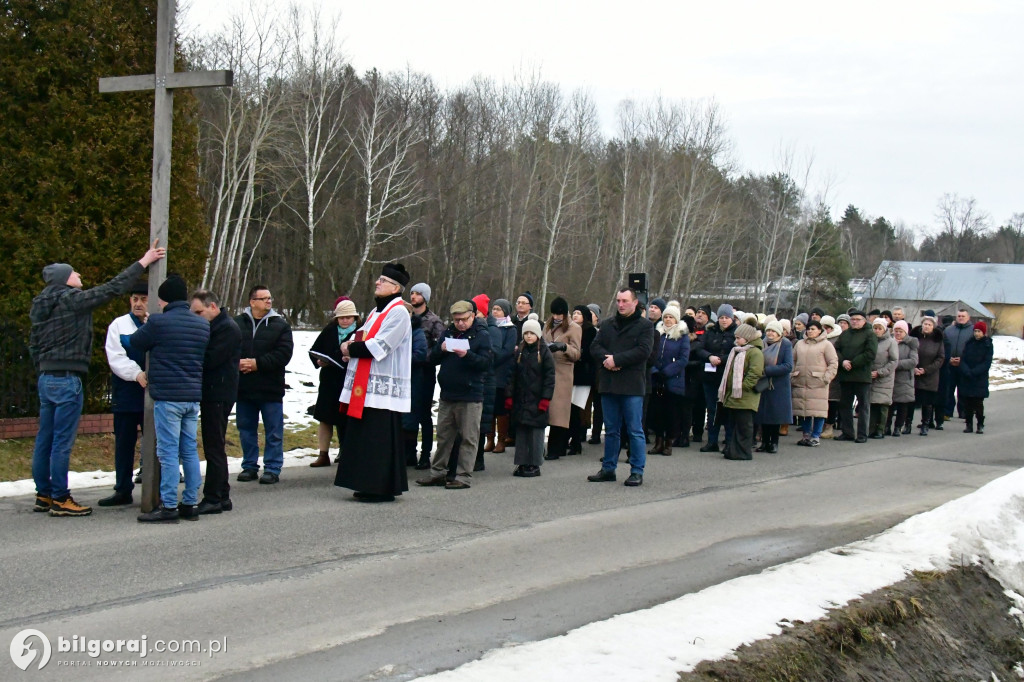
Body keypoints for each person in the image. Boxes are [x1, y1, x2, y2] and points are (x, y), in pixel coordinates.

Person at [29, 240, 165, 517]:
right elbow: (112, 288)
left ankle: (43, 493)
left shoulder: (40, 307)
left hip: (46, 377)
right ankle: (60, 498)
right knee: (61, 442)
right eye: (74, 273)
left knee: (45, 437)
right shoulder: (71, 300)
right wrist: (144, 260)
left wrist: (44, 368)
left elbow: (33, 344)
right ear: (65, 280)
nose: (79, 276)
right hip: (67, 378)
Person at [130, 275, 210, 523]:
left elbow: (135, 343)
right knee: (189, 450)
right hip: (191, 396)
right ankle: (190, 503)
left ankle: (168, 505)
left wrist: (147, 324)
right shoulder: (202, 325)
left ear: (163, 299)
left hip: (167, 397)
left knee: (167, 452)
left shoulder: (158, 323)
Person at [335, 263, 414, 502]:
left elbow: (381, 345)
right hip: (365, 385)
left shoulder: (399, 312)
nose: (377, 283)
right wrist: (348, 343)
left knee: (378, 439)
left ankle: (379, 487)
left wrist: (352, 347)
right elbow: (361, 335)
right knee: (364, 437)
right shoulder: (376, 311)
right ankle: (364, 483)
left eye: (383, 280)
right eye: (378, 279)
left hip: (382, 386)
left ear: (395, 287)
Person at [417, 299, 492, 490]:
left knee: (468, 437)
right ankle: (438, 473)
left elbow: (486, 363)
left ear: (472, 316)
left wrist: (467, 355)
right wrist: (440, 350)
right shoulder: (448, 332)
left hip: (470, 394)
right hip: (447, 393)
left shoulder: (481, 335)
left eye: (464, 319)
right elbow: (432, 359)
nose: (460, 323)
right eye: (456, 319)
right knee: (443, 436)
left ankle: (463, 475)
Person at [587, 288, 655, 487]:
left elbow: (643, 351)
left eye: (625, 300)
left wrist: (618, 360)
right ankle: (608, 468)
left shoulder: (645, 326)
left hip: (631, 385)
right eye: (618, 300)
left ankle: (636, 470)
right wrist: (607, 360)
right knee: (611, 430)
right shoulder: (608, 324)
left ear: (635, 303)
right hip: (609, 383)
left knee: (635, 430)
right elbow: (595, 347)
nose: (621, 304)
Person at [189, 289, 242, 515]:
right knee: (214, 444)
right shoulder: (218, 326)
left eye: (199, 312)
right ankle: (222, 495)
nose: (197, 317)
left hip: (218, 392)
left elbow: (210, 358)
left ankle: (213, 497)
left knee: (214, 446)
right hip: (215, 390)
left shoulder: (226, 328)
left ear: (212, 307)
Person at [235, 285, 294, 484]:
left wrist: (257, 364)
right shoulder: (237, 323)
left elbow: (283, 354)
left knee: (274, 431)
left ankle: (272, 467)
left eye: (270, 298)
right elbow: (228, 347)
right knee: (246, 429)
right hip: (243, 388)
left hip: (270, 388)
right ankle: (249, 466)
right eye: (264, 298)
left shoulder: (280, 325)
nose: (269, 301)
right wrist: (239, 363)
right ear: (252, 302)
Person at [99, 280, 150, 506]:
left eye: (143, 299)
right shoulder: (118, 325)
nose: (138, 303)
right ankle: (122, 489)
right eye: (135, 299)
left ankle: (154, 487)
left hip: (153, 395)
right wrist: (137, 374)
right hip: (127, 393)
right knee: (124, 444)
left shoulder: (156, 324)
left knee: (155, 443)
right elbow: (116, 357)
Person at [308, 299, 359, 468]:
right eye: (341, 318)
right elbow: (315, 349)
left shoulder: (360, 333)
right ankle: (323, 453)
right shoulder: (329, 330)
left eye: (348, 317)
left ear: (355, 317)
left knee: (346, 419)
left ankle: (346, 451)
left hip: (350, 381)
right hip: (329, 380)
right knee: (325, 417)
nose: (344, 321)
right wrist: (319, 361)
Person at [506, 319, 556, 477]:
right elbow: (511, 375)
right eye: (526, 333)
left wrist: (545, 399)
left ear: (538, 335)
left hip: (537, 400)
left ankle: (534, 463)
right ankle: (522, 462)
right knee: (521, 433)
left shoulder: (545, 353)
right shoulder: (519, 352)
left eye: (532, 333)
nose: (529, 336)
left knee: (535, 433)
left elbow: (550, 378)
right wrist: (509, 396)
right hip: (521, 400)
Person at [542, 297, 582, 460]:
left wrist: (564, 347)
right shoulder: (547, 324)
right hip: (546, 370)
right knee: (546, 409)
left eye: (560, 314)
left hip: (563, 371)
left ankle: (556, 448)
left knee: (559, 412)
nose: (557, 317)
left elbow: (577, 353)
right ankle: (543, 446)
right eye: (555, 314)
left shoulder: (574, 328)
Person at [647, 305, 690, 456]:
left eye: (671, 317)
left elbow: (683, 359)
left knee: (671, 414)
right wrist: (655, 371)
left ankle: (668, 443)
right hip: (657, 379)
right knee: (657, 412)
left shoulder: (682, 336)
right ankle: (658, 442)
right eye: (666, 317)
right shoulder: (657, 333)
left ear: (676, 319)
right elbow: (649, 354)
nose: (668, 320)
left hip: (673, 380)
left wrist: (667, 372)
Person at [718, 323, 764, 460]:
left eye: (739, 338)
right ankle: (733, 451)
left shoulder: (755, 352)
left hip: (746, 396)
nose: (736, 340)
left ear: (748, 338)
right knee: (734, 426)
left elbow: (754, 374)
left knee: (744, 427)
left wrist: (741, 386)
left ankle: (743, 452)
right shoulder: (738, 350)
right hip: (734, 395)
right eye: (736, 337)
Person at [409, 282, 443, 467]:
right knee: (408, 412)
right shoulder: (405, 316)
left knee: (423, 413)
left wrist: (422, 357)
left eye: (417, 294)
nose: (413, 297)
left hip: (424, 372)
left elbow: (440, 349)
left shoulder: (434, 321)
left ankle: (425, 454)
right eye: (412, 293)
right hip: (407, 371)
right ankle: (409, 451)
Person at [696, 304, 736, 452]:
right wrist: (709, 356)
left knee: (728, 409)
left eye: (726, 318)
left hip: (727, 377)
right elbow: (699, 348)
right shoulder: (710, 331)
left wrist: (722, 359)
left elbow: (739, 350)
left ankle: (729, 442)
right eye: (721, 318)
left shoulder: (736, 332)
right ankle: (712, 441)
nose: (724, 320)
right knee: (712, 409)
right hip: (710, 376)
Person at [833, 310, 878, 443]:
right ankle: (847, 432)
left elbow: (870, 353)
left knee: (863, 406)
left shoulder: (870, 334)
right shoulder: (845, 334)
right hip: (846, 375)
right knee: (845, 405)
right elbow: (836, 349)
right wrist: (843, 361)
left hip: (861, 375)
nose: (854, 321)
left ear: (864, 321)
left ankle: (862, 434)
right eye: (852, 319)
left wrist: (854, 363)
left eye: (858, 319)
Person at [792, 320, 838, 446]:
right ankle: (806, 435)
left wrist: (826, 378)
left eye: (813, 329)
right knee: (803, 410)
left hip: (818, 383)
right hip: (801, 382)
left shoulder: (826, 345)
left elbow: (833, 363)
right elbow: (793, 360)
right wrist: (793, 375)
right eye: (808, 329)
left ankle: (816, 436)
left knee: (818, 411)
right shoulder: (799, 344)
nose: (810, 331)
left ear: (819, 330)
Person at [755, 320, 793, 453]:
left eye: (773, 331)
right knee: (763, 415)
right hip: (762, 384)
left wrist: (767, 370)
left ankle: (774, 442)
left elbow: (788, 366)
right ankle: (764, 442)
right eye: (768, 330)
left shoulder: (785, 344)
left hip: (778, 385)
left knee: (775, 416)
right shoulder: (761, 343)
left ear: (779, 333)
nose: (770, 333)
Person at [488, 299, 517, 453]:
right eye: (494, 308)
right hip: (489, 372)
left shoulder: (510, 329)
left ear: (505, 312)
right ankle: (489, 439)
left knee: (500, 409)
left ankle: (501, 440)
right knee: (489, 409)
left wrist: (493, 358)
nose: (495, 311)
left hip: (502, 371)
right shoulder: (490, 327)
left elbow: (508, 350)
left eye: (499, 309)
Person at [403, 302, 430, 466]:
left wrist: (399, 361)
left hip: (413, 378)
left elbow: (420, 354)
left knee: (410, 417)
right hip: (396, 380)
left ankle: (410, 453)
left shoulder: (417, 331)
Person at [569, 304, 597, 454]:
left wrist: (577, 353)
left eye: (578, 313)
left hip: (583, 375)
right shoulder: (569, 329)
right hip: (570, 373)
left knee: (578, 408)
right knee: (569, 409)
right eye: (574, 312)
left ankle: (577, 440)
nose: (575, 315)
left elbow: (590, 352)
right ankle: (570, 438)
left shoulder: (590, 331)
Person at [910, 315, 945, 436]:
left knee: (927, 402)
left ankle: (925, 424)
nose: (927, 326)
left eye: (929, 325)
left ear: (933, 327)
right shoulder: (914, 337)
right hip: (913, 373)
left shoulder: (937, 340)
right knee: (910, 400)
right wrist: (913, 367)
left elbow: (940, 358)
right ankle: (907, 424)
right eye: (925, 324)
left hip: (929, 375)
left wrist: (925, 370)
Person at [958, 321, 993, 434]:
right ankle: (969, 424)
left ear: (984, 332)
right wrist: (966, 371)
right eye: (975, 331)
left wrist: (974, 372)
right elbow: (963, 359)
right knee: (967, 402)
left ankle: (980, 424)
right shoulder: (969, 343)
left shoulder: (987, 344)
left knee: (978, 403)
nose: (977, 334)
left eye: (979, 331)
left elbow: (987, 363)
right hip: (967, 377)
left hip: (979, 378)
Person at [887, 320, 919, 438]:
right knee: (889, 404)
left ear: (905, 332)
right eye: (896, 331)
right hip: (890, 377)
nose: (898, 333)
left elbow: (913, 361)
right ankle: (887, 426)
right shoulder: (890, 342)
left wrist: (895, 364)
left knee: (902, 405)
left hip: (905, 378)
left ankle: (898, 427)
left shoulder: (911, 344)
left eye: (900, 331)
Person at [868, 318, 898, 438]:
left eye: (880, 328)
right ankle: (871, 429)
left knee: (882, 405)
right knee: (872, 404)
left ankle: (880, 429)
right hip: (870, 376)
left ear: (885, 329)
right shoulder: (870, 340)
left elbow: (894, 360)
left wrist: (880, 372)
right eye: (875, 328)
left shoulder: (891, 342)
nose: (877, 331)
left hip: (884, 377)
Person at [944, 308, 974, 421]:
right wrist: (948, 359)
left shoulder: (973, 330)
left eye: (963, 316)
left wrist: (962, 360)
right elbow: (944, 346)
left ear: (968, 318)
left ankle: (964, 412)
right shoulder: (948, 330)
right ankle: (947, 411)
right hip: (950, 364)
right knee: (948, 389)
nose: (961, 318)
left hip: (964, 364)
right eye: (959, 316)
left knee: (963, 390)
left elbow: (973, 349)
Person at [819, 315, 843, 439]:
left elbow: (838, 356)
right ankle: (821, 424)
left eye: (827, 327)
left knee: (832, 401)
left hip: (834, 374)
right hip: (819, 372)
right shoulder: (819, 339)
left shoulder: (838, 339)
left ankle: (829, 426)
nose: (825, 329)